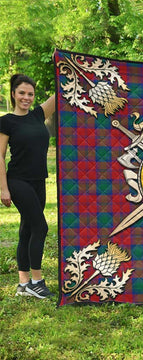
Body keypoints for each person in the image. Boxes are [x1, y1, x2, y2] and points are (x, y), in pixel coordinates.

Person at [0, 74, 55, 298]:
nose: (26, 97)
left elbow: (60, 92)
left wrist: (68, 67)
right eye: (21, 93)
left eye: (30, 94)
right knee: (41, 227)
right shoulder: (6, 121)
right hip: (17, 181)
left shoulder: (38, 115)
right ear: (13, 94)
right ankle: (37, 281)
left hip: (38, 180)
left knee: (27, 229)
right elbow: (0, 156)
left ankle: (23, 284)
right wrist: (3, 189)